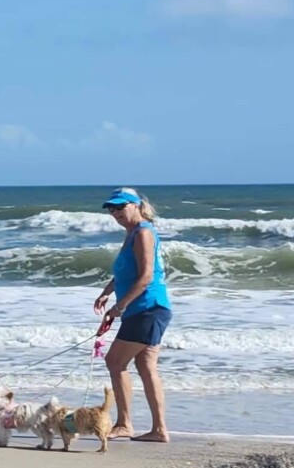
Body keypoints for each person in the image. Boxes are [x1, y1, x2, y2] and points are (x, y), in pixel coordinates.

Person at [94, 187, 172, 442]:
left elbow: (146, 276)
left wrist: (120, 307)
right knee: (145, 366)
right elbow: (126, 272)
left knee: (115, 362)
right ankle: (159, 430)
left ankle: (125, 424)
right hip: (148, 310)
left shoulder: (143, 233)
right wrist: (107, 292)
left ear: (136, 205)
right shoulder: (132, 234)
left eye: (120, 206)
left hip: (147, 308)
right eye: (111, 209)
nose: (115, 212)